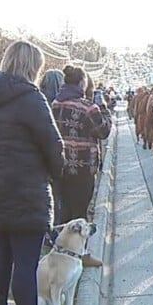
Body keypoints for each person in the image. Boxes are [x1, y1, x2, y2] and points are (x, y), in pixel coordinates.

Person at [0, 40, 64, 305]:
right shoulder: (30, 98)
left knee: (1, 255)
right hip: (25, 190)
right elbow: (53, 144)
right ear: (32, 67)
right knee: (25, 264)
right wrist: (56, 171)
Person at [51, 65, 110, 224]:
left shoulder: (55, 104)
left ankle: (63, 244)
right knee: (79, 214)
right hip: (83, 169)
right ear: (82, 83)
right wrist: (103, 107)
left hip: (61, 165)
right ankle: (77, 247)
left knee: (64, 212)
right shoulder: (88, 108)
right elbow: (103, 131)